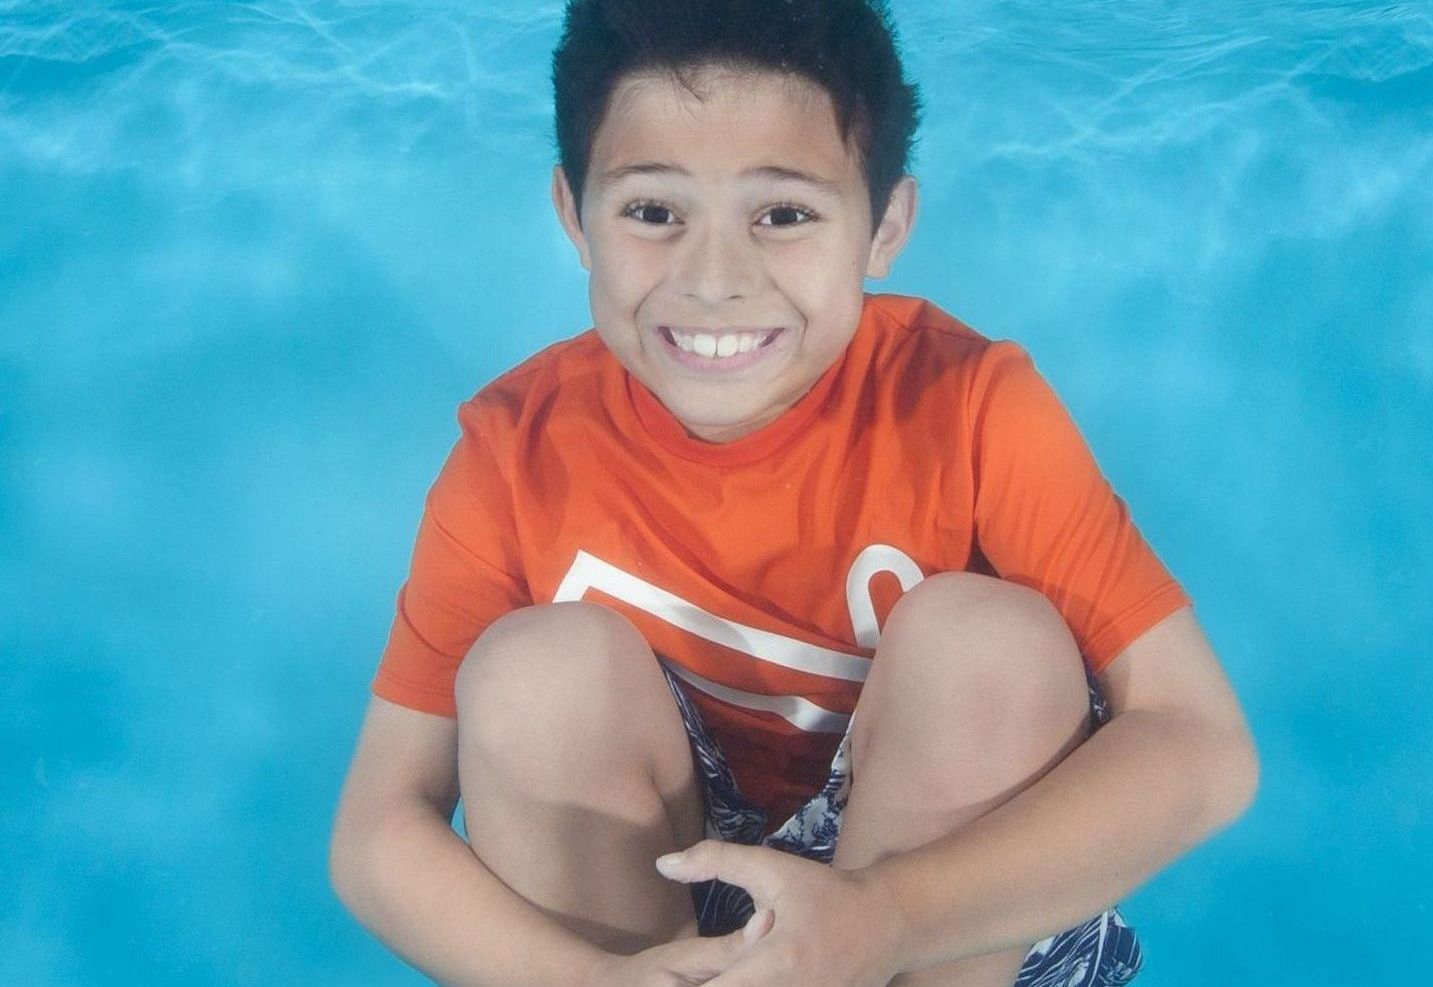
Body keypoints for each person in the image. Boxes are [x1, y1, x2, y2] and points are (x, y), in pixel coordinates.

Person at [328, 1, 1260, 985]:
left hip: (947, 913)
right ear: (574, 215)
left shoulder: (969, 409)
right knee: (533, 673)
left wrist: (885, 920)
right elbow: (379, 824)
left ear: (881, 228)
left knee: (988, 644)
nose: (713, 280)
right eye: (652, 212)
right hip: (670, 888)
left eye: (782, 215)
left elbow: (1199, 746)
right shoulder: (514, 449)